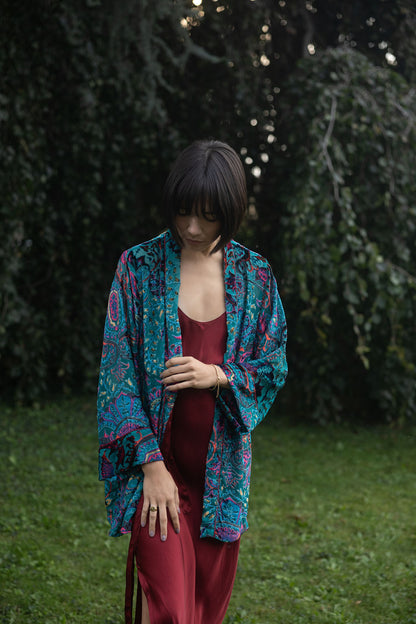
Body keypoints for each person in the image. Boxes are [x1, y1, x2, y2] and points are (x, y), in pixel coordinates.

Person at [97, 139, 288, 624]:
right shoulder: (138, 269)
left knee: (202, 614)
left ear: (231, 211)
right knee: (168, 613)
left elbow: (273, 367)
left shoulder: (256, 277)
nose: (192, 228)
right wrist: (150, 466)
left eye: (208, 216)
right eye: (183, 212)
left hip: (222, 485)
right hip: (157, 474)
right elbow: (117, 379)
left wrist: (217, 376)